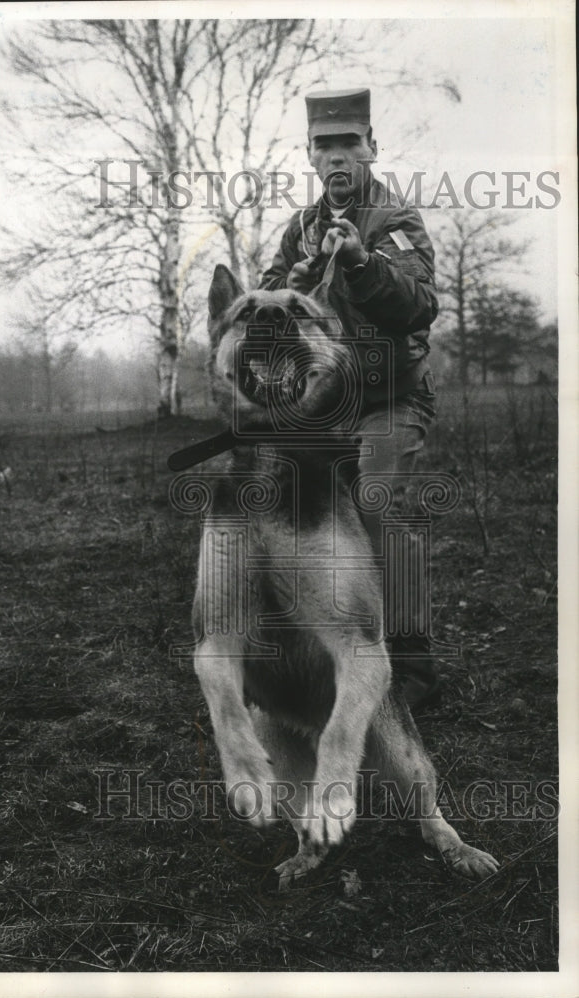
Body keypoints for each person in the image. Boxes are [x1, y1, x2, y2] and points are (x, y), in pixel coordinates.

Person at [260, 87, 440, 710]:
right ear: (309, 155)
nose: (337, 158)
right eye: (324, 147)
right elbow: (260, 319)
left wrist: (362, 265)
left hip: (392, 398)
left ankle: (413, 665)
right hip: (320, 408)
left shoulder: (396, 222)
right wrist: (292, 287)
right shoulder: (301, 229)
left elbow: (419, 305)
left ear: (371, 149)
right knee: (300, 519)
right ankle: (328, 656)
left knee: (377, 506)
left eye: (349, 145)